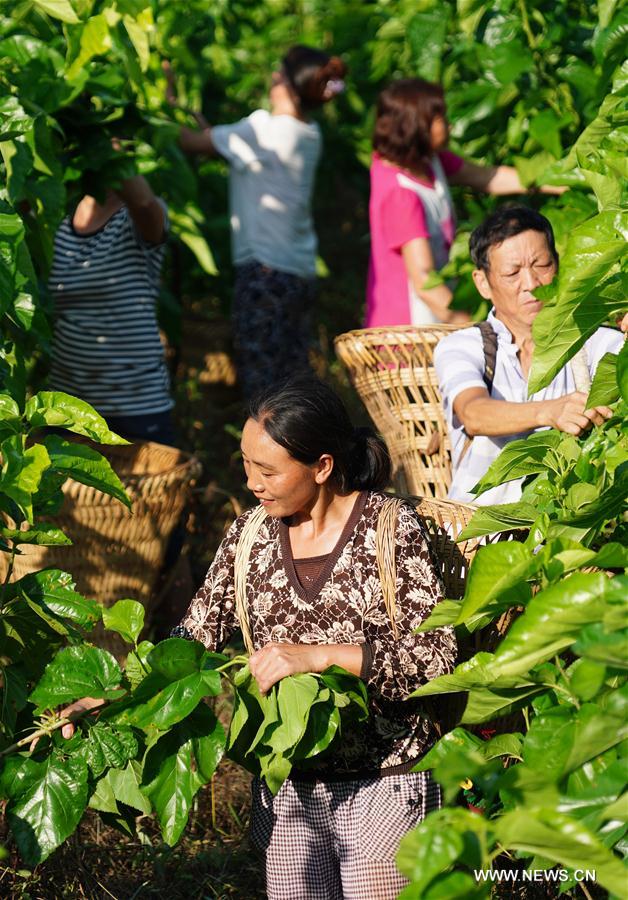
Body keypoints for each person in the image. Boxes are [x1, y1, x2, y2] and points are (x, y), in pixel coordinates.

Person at [171, 376, 457, 899]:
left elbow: (436, 658)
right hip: (291, 787)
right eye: (245, 463)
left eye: (268, 470)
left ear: (322, 467)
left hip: (385, 781)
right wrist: (121, 693)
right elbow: (193, 637)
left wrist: (319, 657)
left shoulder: (389, 530)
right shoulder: (248, 536)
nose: (252, 482)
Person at [175, 46, 347, 401]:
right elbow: (219, 142)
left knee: (263, 384)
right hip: (298, 272)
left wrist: (166, 105)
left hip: (264, 273)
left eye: (277, 73)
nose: (271, 79)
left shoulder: (261, 127)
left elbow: (191, 142)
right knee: (293, 380)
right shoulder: (309, 133)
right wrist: (192, 114)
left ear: (284, 82)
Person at [434, 206, 624, 505]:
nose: (532, 284)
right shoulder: (462, 346)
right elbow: (473, 413)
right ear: (482, 282)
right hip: (478, 530)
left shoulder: (591, 341)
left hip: (565, 527)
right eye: (512, 272)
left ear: (559, 266)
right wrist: (548, 411)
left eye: (542, 265)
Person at [366, 78, 565, 327]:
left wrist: (556, 180)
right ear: (416, 125)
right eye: (439, 118)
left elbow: (484, 177)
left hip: (437, 317)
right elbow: (424, 281)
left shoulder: (428, 162)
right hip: (410, 329)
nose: (449, 124)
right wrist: (476, 330)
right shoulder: (401, 195)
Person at [48, 164, 174, 444]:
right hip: (68, 406)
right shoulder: (59, 219)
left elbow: (143, 201)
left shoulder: (136, 218)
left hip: (135, 405)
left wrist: (108, 147)